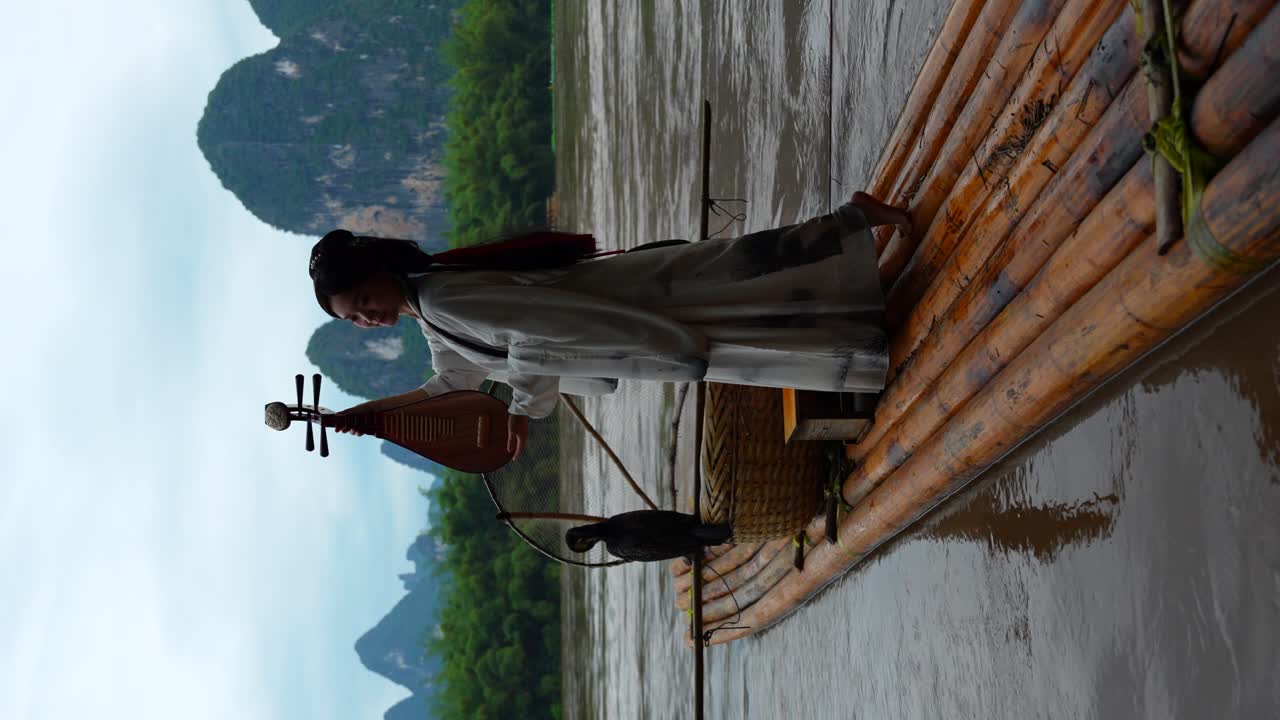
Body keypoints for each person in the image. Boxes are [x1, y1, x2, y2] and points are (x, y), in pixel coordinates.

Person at [313, 191, 911, 458]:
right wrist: (367, 418)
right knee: (743, 297)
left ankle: (855, 224)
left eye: (364, 296)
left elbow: (536, 338)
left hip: (631, 308)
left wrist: (524, 409)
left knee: (741, 282)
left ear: (379, 266)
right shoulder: (433, 317)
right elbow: (452, 383)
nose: (368, 315)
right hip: (629, 316)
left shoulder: (442, 299)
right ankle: (858, 284)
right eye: (356, 317)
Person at [565, 510, 733, 563]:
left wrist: (689, 548)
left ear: (582, 540)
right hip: (685, 523)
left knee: (723, 534)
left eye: (584, 546)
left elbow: (656, 553)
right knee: (725, 530)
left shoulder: (615, 549)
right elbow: (653, 515)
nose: (588, 547)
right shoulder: (614, 521)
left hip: (687, 540)